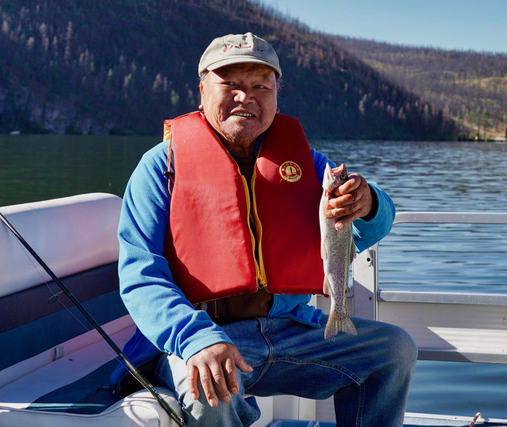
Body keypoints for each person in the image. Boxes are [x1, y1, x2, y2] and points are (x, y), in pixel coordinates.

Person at [111, 32, 417, 426]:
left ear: (276, 94)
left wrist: (370, 203)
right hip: (202, 335)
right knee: (209, 389)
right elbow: (140, 277)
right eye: (231, 85)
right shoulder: (159, 168)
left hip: (291, 331)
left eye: (260, 86)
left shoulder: (309, 163)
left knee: (394, 350)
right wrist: (196, 339)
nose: (246, 97)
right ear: (202, 89)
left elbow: (362, 232)